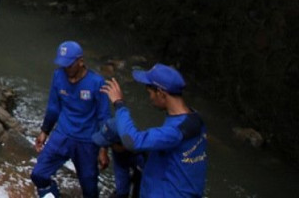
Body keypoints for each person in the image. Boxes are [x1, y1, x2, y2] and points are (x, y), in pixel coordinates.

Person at [102, 64, 208, 198]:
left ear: (161, 93)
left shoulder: (175, 131)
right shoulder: (194, 119)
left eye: (150, 93)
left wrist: (119, 103)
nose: (150, 98)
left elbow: (132, 141)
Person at [31, 41, 111, 198]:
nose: (66, 69)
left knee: (89, 188)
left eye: (69, 65)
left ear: (80, 61)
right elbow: (53, 107)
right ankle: (52, 193)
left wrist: (103, 149)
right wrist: (44, 131)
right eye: (62, 65)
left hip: (87, 140)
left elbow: (104, 116)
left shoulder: (96, 82)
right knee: (38, 174)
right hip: (62, 135)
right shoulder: (58, 76)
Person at [93, 117, 143, 198]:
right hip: (122, 157)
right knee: (121, 191)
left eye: (110, 145)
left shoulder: (146, 153)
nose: (109, 147)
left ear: (122, 145)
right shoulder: (118, 147)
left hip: (142, 165)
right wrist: (103, 149)